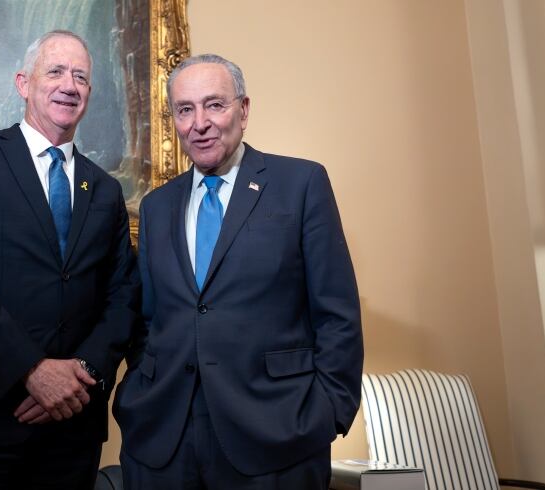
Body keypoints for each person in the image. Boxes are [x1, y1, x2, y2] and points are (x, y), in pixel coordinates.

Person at [114, 54, 363, 489]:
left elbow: (336, 313)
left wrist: (329, 413)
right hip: (164, 440)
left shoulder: (300, 184)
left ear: (243, 110)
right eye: (185, 109)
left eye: (215, 105)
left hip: (277, 436)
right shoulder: (157, 206)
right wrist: (137, 394)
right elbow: (148, 320)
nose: (200, 123)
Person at [0, 30, 139, 490]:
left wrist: (85, 375)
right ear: (23, 83)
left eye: (80, 77)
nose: (69, 85)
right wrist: (31, 370)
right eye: (55, 71)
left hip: (70, 433)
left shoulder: (107, 190)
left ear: (89, 94)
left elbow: (124, 295)